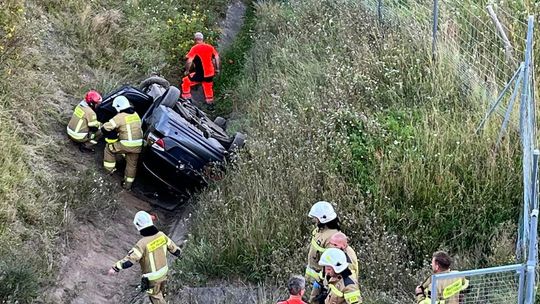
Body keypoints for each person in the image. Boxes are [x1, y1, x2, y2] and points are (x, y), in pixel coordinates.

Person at [108, 211, 181, 304]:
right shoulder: (162, 235)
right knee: (162, 292)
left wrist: (115, 268)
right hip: (165, 272)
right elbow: (175, 250)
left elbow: (129, 261)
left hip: (152, 279)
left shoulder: (142, 244)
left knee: (156, 297)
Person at [101, 96, 143, 190]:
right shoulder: (136, 115)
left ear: (118, 107)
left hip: (126, 144)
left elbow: (105, 128)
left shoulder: (120, 117)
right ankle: (127, 185)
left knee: (109, 149)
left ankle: (108, 171)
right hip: (138, 145)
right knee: (132, 165)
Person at [305, 201, 342, 304]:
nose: (313, 220)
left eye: (315, 218)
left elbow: (332, 263)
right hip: (316, 279)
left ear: (323, 219)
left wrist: (326, 282)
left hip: (323, 281)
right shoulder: (319, 231)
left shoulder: (332, 238)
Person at [181, 32, 220, 107]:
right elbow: (217, 58)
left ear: (195, 40)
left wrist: (187, 70)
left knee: (186, 81)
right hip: (210, 74)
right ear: (202, 39)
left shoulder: (195, 48)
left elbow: (189, 61)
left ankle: (187, 99)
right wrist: (217, 69)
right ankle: (210, 105)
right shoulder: (210, 47)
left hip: (201, 74)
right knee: (207, 86)